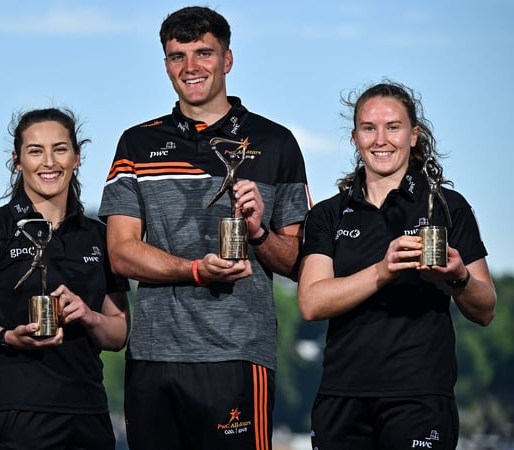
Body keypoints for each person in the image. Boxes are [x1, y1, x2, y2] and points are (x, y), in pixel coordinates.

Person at [98, 6, 310, 450]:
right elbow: (120, 252)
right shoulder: (136, 143)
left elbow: (297, 263)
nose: (190, 68)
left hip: (236, 355)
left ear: (227, 60)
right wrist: (195, 270)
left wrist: (257, 233)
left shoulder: (276, 143)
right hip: (152, 357)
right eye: (178, 56)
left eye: (203, 53)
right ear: (165, 65)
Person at [297, 80, 497, 449]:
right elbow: (311, 302)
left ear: (414, 135)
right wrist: (382, 271)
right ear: (355, 137)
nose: (381, 140)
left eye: (393, 127)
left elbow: (485, 309)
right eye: (369, 128)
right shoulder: (328, 214)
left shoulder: (449, 207)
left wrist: (459, 277)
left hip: (420, 397)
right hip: (341, 398)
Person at [0, 107, 130, 450]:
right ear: (17, 160)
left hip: (87, 415)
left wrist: (89, 317)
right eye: (35, 151)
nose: (49, 162)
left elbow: (118, 333)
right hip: (13, 413)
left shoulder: (99, 236)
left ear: (77, 157)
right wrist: (7, 337)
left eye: (60, 149)